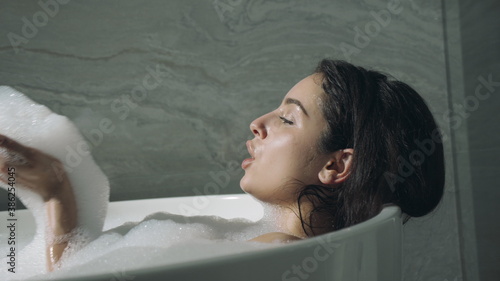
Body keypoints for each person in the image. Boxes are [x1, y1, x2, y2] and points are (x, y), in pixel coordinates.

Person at [0, 59, 445, 271]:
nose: (258, 124)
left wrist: (59, 193)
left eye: (288, 117)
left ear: (336, 165)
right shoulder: (264, 246)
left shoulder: (272, 253)